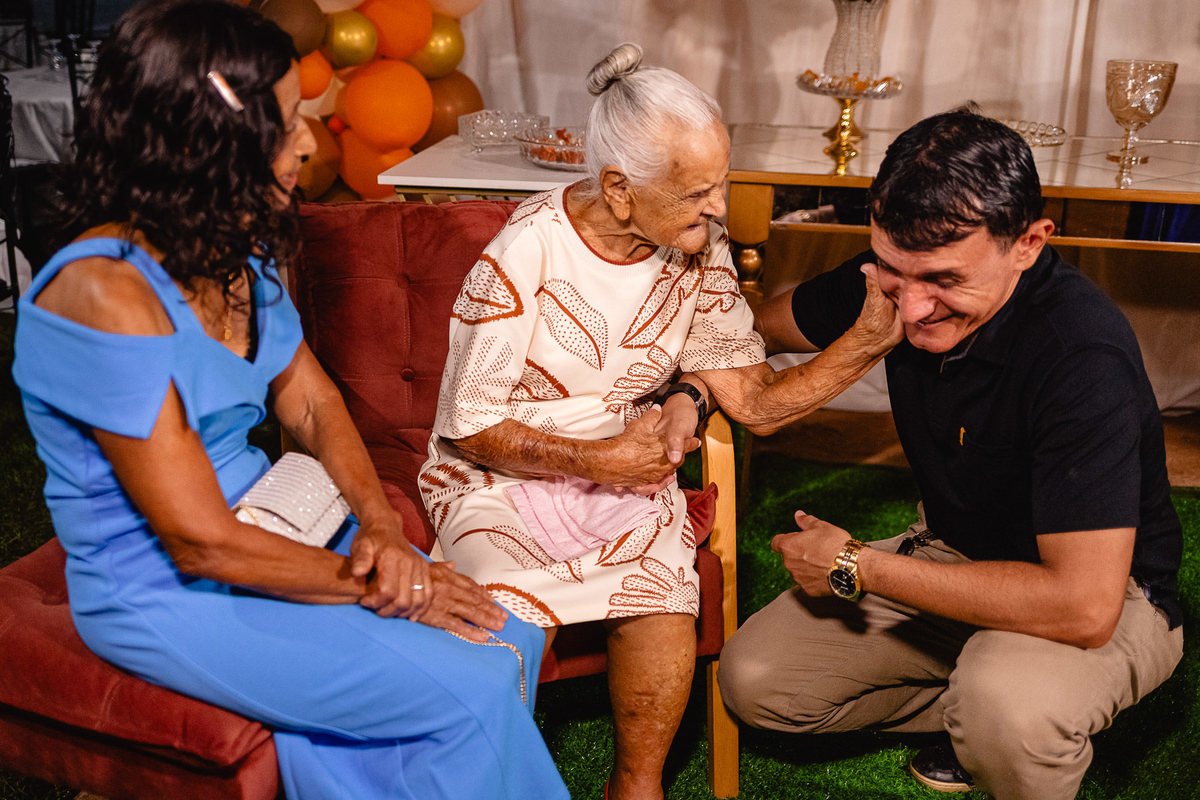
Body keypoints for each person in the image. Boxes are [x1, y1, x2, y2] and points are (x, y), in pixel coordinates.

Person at [11, 2, 568, 798]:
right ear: (203, 137)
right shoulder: (104, 294)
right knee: (467, 684)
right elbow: (199, 543)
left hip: (274, 524)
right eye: (284, 124)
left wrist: (381, 529)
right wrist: (390, 582)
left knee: (506, 632)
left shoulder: (230, 248)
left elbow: (310, 402)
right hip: (167, 592)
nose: (309, 142)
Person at [419, 42, 897, 800]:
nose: (717, 208)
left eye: (721, 183)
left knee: (665, 584)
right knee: (493, 604)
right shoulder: (524, 253)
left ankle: (635, 787)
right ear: (617, 189)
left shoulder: (696, 251)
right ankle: (488, 780)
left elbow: (756, 405)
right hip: (497, 476)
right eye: (696, 192)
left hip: (627, 470)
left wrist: (864, 345)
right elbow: (468, 425)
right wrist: (599, 461)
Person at [716, 108, 1184, 800]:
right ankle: (980, 699)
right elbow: (751, 329)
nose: (910, 312)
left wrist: (856, 564)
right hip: (953, 555)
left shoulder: (1081, 355)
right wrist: (693, 377)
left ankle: (1006, 705)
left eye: (943, 281)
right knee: (756, 681)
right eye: (893, 274)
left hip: (1106, 596)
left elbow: (1084, 606)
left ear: (1028, 243)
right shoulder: (899, 278)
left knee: (1011, 710)